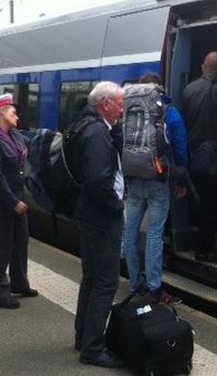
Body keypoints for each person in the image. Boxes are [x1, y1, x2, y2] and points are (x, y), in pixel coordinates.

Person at [70, 82, 125, 368]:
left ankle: (83, 337)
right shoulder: (96, 134)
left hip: (89, 215)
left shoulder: (89, 126)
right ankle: (92, 348)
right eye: (119, 103)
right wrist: (117, 207)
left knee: (92, 279)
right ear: (105, 103)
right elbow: (97, 181)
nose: (122, 109)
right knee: (106, 282)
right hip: (102, 217)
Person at [123, 73, 188, 305]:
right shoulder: (168, 112)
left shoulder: (128, 110)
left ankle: (134, 283)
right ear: (159, 88)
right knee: (154, 233)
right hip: (159, 179)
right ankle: (154, 288)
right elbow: (180, 145)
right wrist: (181, 178)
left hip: (133, 177)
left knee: (130, 231)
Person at [0, 93, 38, 310]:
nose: (17, 117)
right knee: (3, 247)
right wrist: (13, 202)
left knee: (21, 243)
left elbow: (32, 148)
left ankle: (19, 283)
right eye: (13, 113)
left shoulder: (15, 136)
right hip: (3, 203)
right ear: (1, 113)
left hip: (18, 198)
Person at [180, 51, 217, 262]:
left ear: (202, 67)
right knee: (211, 205)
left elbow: (183, 124)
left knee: (201, 203)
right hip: (216, 158)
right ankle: (204, 250)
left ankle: (198, 242)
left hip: (194, 156)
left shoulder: (188, 90)